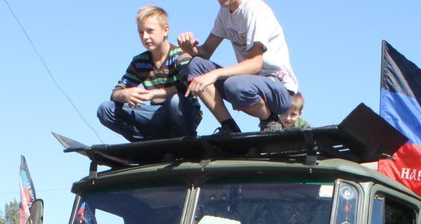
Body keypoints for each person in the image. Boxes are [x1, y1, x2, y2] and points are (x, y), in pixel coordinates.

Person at [177, 0, 299, 134]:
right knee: (196, 65)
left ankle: (269, 120)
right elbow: (205, 51)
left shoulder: (255, 9)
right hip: (248, 84)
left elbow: (255, 64)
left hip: (279, 88)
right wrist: (190, 49)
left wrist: (215, 74)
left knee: (234, 84)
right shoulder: (225, 12)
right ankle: (229, 127)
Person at [98, 6, 202, 142]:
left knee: (176, 101)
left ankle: (188, 142)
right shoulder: (139, 62)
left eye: (150, 31)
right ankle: (146, 143)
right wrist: (124, 94)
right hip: (154, 114)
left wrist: (153, 94)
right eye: (141, 33)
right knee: (105, 109)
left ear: (165, 30)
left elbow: (187, 86)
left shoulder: (180, 54)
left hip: (181, 113)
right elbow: (115, 92)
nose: (145, 37)